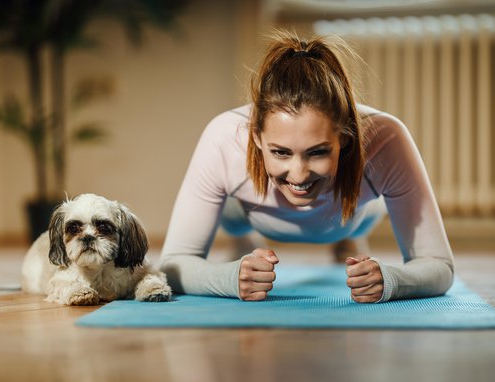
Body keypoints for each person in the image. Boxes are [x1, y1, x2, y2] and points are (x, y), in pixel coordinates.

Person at [160, 31, 454, 303]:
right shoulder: (224, 137)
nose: (299, 174)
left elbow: (439, 265)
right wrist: (229, 277)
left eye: (317, 152)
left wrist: (392, 280)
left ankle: (350, 238)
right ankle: (243, 238)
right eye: (280, 152)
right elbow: (174, 263)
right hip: (250, 216)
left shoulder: (385, 138)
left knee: (356, 217)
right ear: (256, 137)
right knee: (228, 212)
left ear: (345, 136)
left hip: (351, 217)